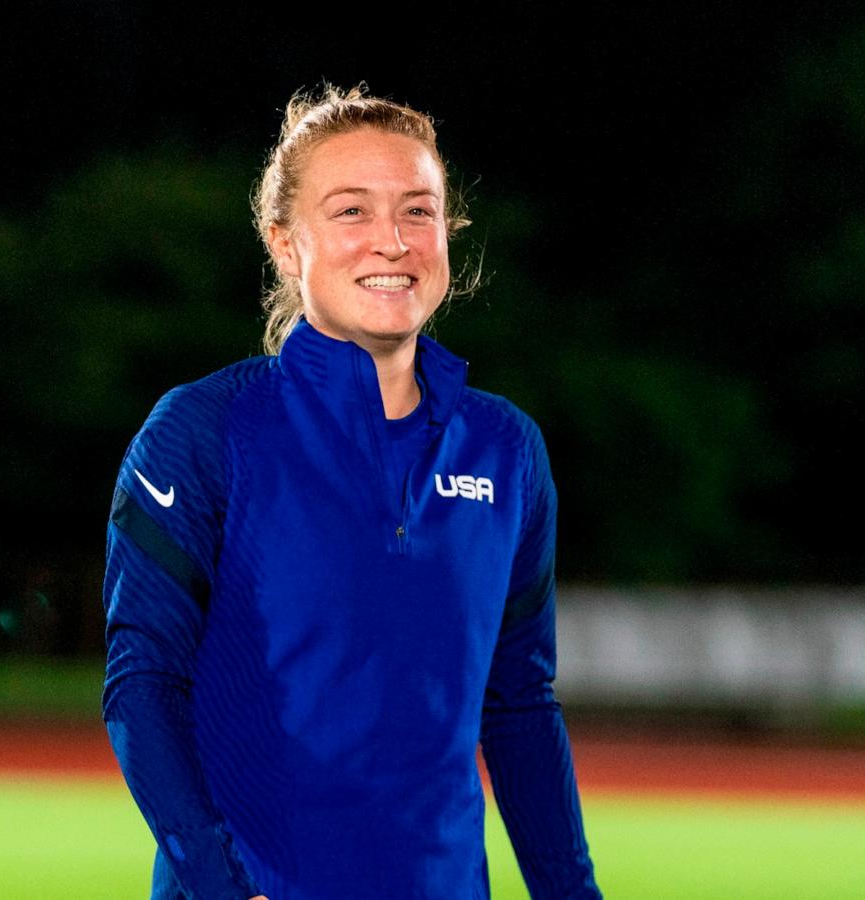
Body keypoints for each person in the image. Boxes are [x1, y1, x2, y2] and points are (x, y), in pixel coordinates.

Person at [103, 84, 602, 900]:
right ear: (285, 244)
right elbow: (143, 683)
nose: (392, 242)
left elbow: (519, 706)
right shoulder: (203, 430)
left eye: (418, 211)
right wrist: (222, 888)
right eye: (350, 213)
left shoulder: (506, 449)